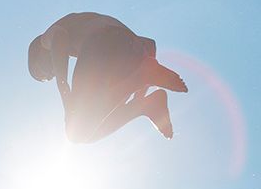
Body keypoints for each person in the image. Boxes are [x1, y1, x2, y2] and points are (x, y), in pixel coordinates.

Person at [28, 12, 187, 143]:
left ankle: (141, 84)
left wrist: (63, 87)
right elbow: (150, 44)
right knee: (84, 132)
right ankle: (145, 103)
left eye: (42, 73)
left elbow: (60, 36)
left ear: (37, 53)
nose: (49, 76)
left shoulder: (46, 38)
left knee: (76, 131)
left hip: (103, 42)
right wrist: (139, 94)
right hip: (133, 51)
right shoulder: (84, 27)